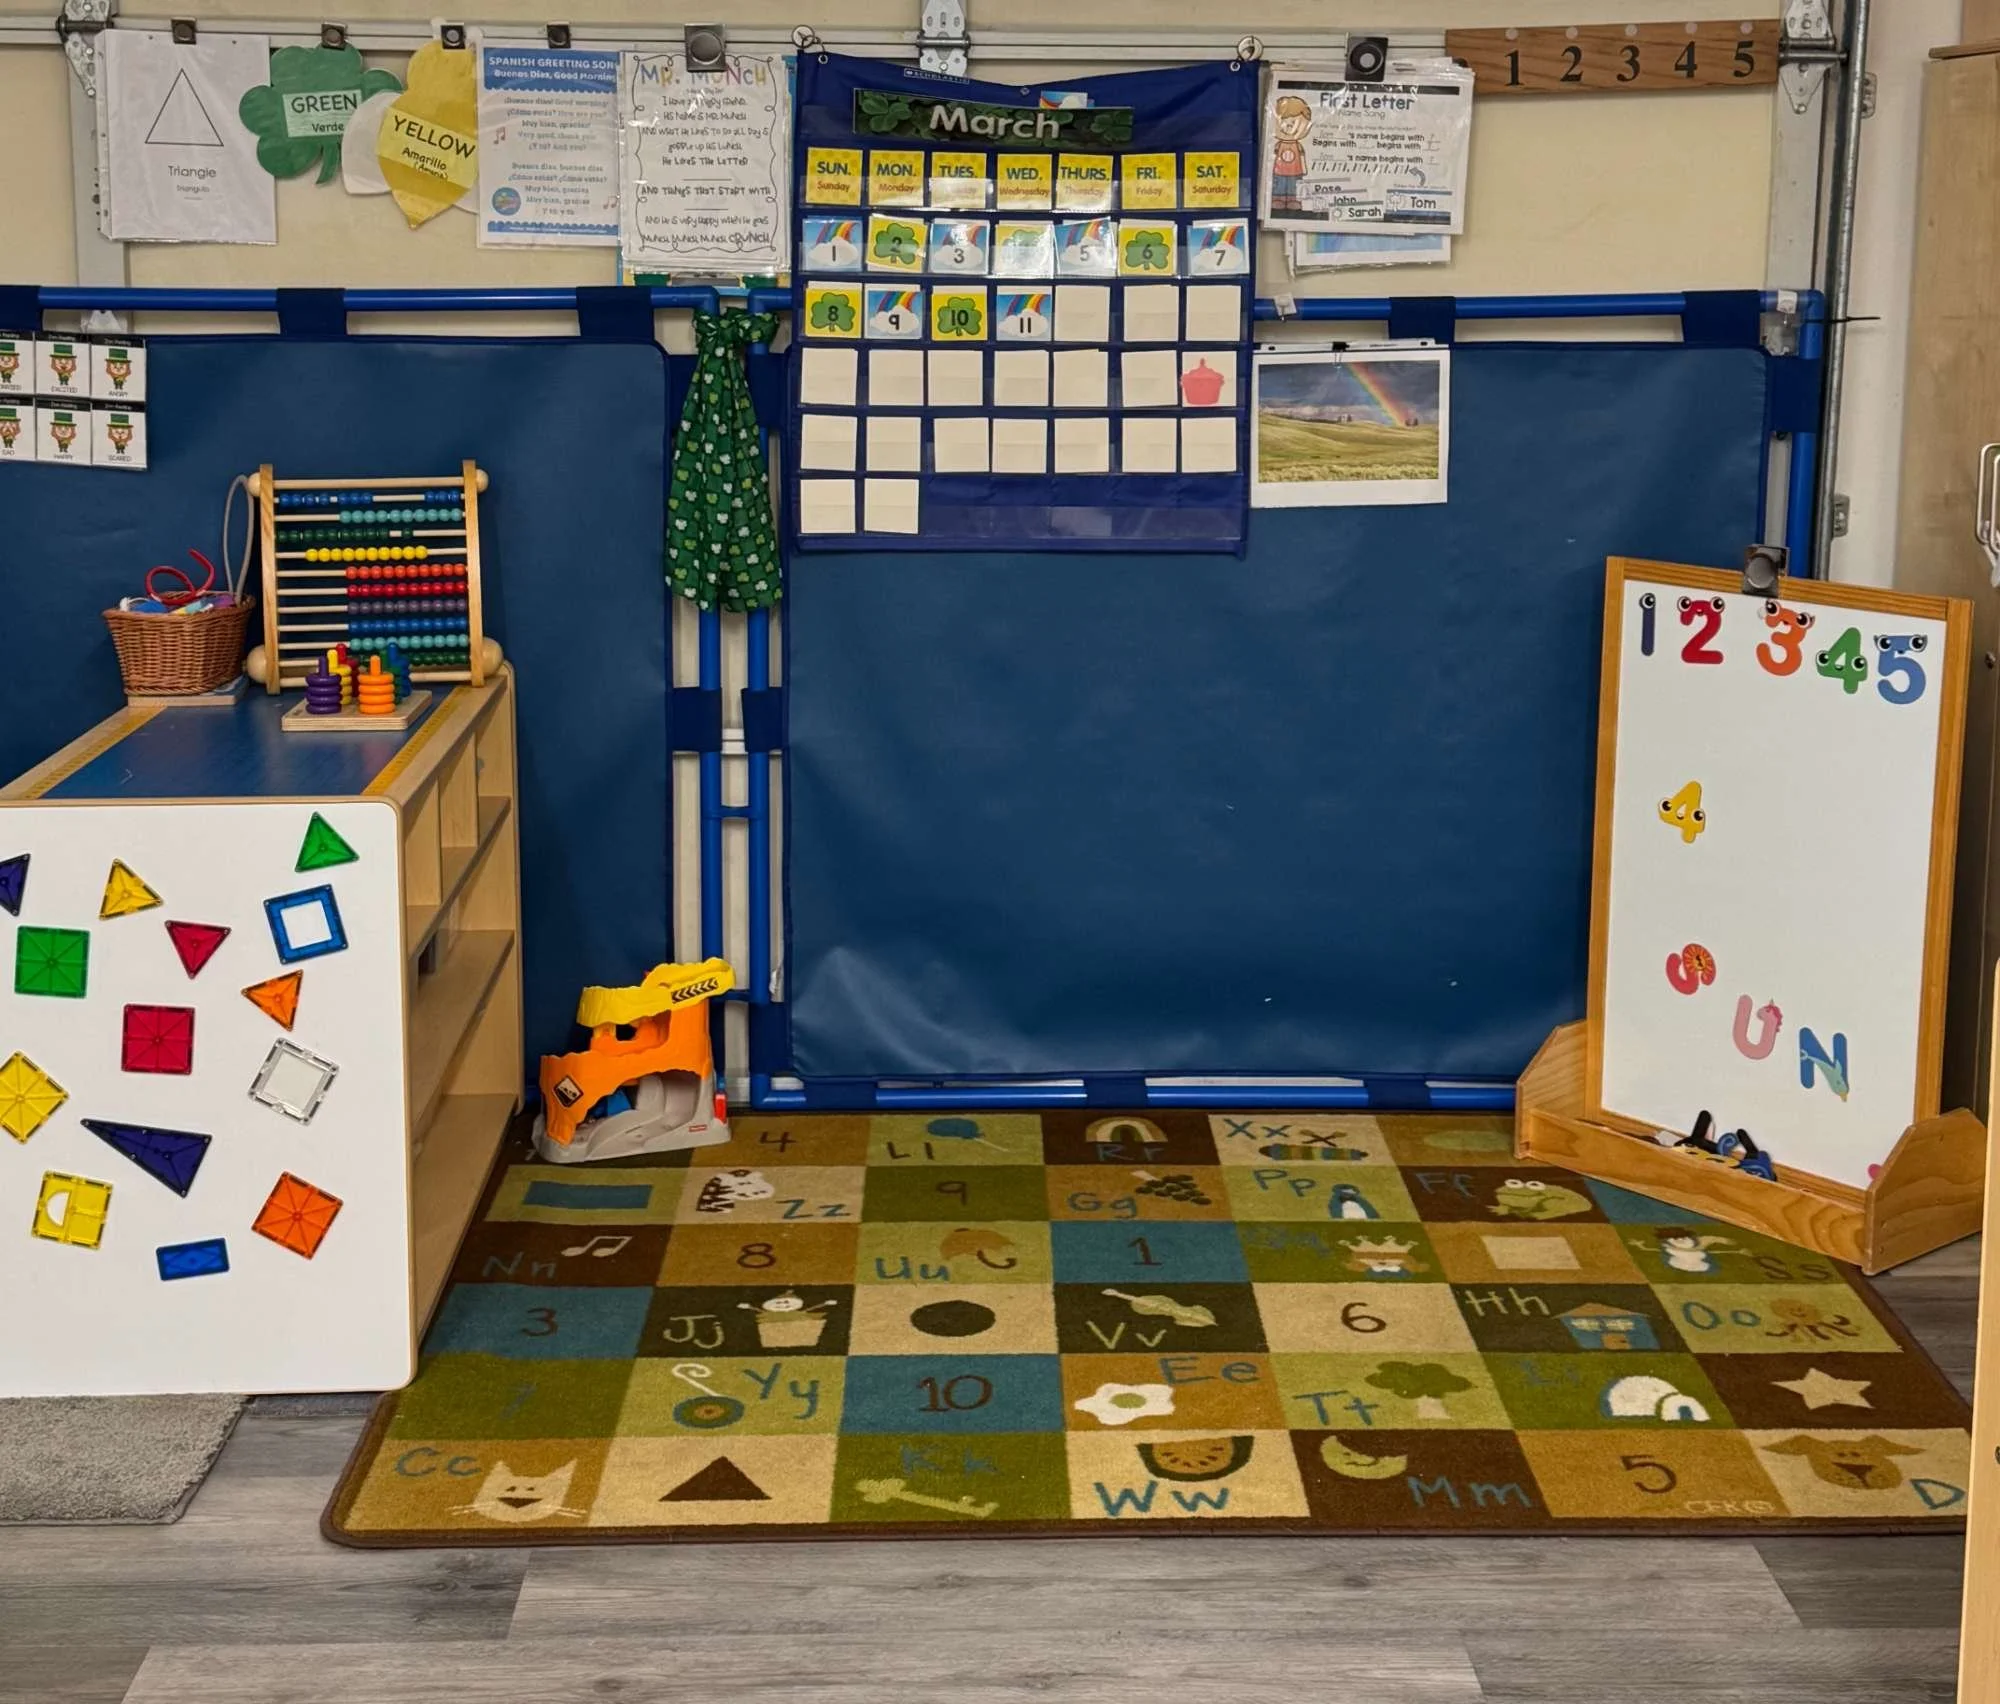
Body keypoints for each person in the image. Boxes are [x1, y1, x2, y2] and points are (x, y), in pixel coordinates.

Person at [1270, 94, 1313, 213]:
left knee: (1294, 185)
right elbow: (1272, 157)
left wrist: (1304, 170)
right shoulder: (1278, 144)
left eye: (1294, 122)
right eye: (1284, 120)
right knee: (1279, 184)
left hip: (1296, 171)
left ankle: (1294, 200)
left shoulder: (1298, 145)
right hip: (1279, 171)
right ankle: (1277, 198)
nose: (1289, 125)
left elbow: (1302, 156)